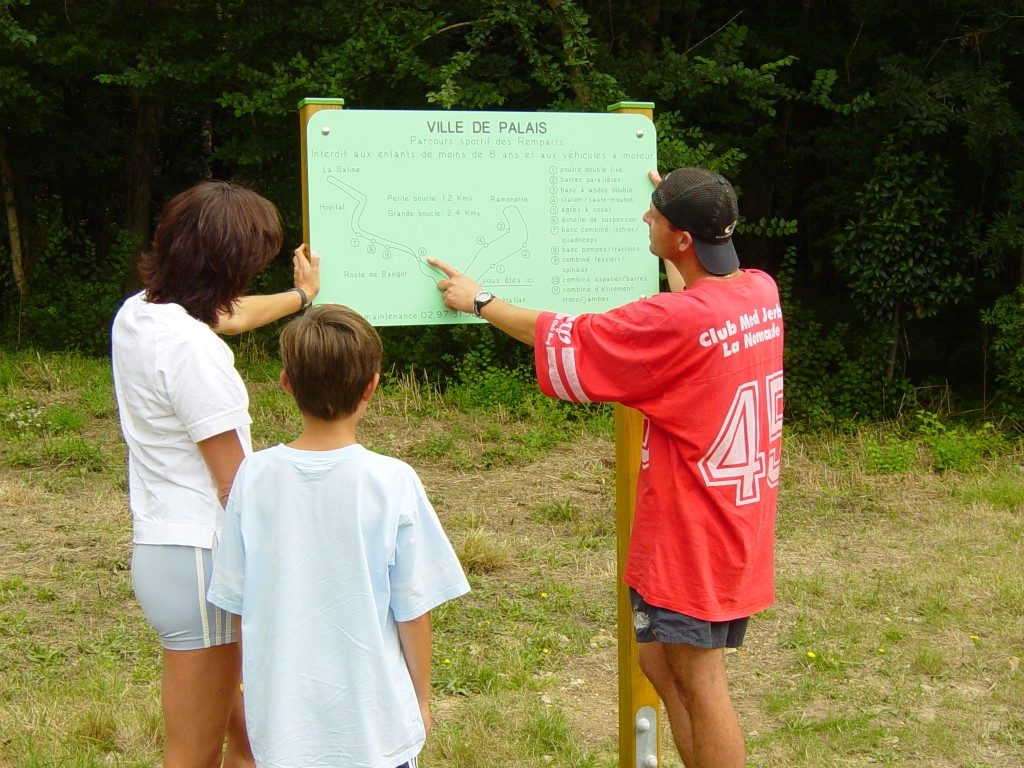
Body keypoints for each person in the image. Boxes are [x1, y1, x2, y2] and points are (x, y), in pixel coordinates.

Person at [429, 167, 783, 768]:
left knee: (701, 680)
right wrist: (686, 200)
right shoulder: (757, 291)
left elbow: (571, 337)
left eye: (658, 215)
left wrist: (481, 302)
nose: (646, 217)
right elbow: (694, 290)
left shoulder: (675, 321)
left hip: (693, 528)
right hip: (729, 513)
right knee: (659, 663)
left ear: (682, 241)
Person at [111, 179, 320, 768]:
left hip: (169, 554)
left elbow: (226, 316)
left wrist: (301, 299)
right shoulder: (193, 351)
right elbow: (236, 485)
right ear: (230, 263)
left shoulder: (142, 315)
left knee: (251, 745)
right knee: (194, 756)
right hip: (205, 560)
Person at [207, 303, 471, 768]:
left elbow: (237, 604)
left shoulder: (253, 477)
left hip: (283, 730)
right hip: (376, 729)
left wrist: (257, 695)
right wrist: (422, 700)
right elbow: (412, 609)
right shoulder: (393, 481)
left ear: (286, 383)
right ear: (372, 386)